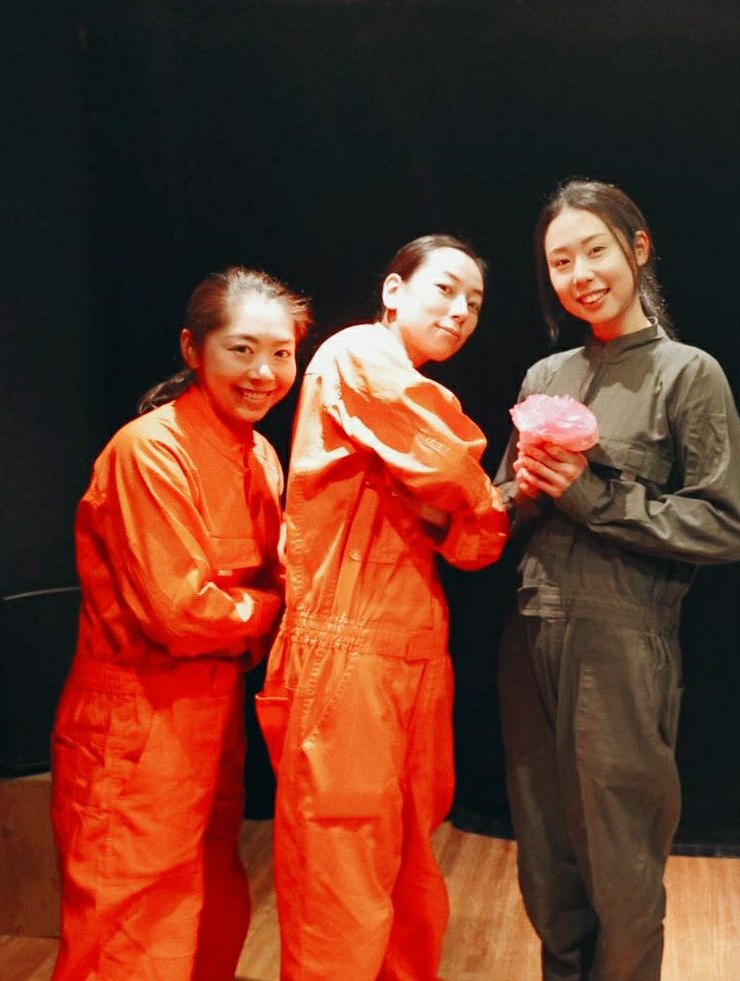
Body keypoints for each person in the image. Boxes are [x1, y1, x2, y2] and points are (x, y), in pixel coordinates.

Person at [494, 178, 740, 981]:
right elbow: (495, 511)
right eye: (560, 261)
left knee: (622, 866)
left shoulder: (688, 374)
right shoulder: (545, 375)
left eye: (595, 251)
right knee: (545, 861)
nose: (580, 275)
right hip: (530, 631)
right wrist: (519, 494)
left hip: (623, 639)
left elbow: (725, 524)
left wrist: (591, 494)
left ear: (638, 249)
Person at [257, 234, 510, 980]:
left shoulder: (413, 389)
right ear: (394, 291)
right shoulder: (356, 354)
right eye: (445, 289)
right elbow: (451, 466)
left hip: (410, 650)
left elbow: (473, 542)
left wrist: (464, 508)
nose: (460, 311)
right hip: (349, 654)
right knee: (340, 880)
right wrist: (474, 500)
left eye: (474, 302)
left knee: (408, 873)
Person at [50, 267, 311, 979]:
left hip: (213, 717)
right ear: (193, 349)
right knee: (129, 930)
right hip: (137, 722)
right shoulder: (149, 449)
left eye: (282, 353)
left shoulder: (259, 454)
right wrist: (279, 609)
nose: (264, 372)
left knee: (209, 909)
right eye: (242, 349)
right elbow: (182, 614)